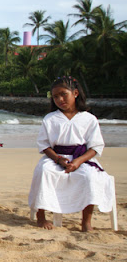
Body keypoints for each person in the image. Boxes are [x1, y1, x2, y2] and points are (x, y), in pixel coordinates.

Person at [28, 76, 116, 232]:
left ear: (75, 93)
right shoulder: (50, 119)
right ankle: (41, 217)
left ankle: (86, 221)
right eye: (55, 96)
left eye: (63, 94)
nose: (60, 99)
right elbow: (44, 145)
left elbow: (95, 147)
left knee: (89, 176)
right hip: (55, 157)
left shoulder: (89, 119)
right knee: (43, 172)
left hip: (81, 159)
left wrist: (78, 162)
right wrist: (58, 159)